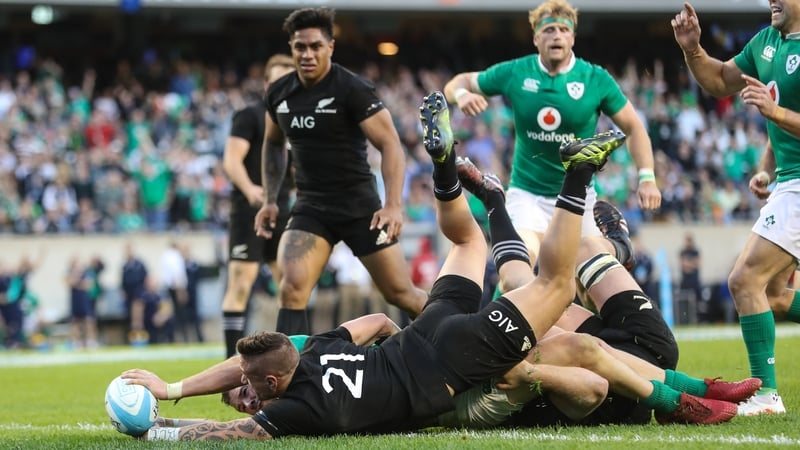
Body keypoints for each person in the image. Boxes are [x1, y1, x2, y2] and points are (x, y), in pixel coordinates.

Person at [123, 92, 736, 442]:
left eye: (255, 387)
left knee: (550, 285)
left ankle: (577, 180)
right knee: (470, 244)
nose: (251, 393)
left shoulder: (295, 406)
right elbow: (369, 322)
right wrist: (174, 386)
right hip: (430, 332)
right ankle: (444, 171)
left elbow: (233, 435)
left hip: (451, 363)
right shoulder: (312, 352)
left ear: (277, 384)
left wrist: (163, 423)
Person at [442, 0, 661, 293]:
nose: (556, 36)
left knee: (590, 283)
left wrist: (647, 177)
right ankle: (496, 331)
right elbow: (458, 82)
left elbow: (634, 127)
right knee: (515, 271)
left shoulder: (595, 79)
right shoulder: (517, 72)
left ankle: (600, 335)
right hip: (527, 196)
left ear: (572, 37)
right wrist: (460, 94)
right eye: (548, 30)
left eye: (562, 30)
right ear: (535, 38)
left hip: (578, 199)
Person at [253, 7, 427, 335]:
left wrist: (393, 205)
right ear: (291, 47)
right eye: (299, 47)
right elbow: (273, 145)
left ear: (330, 47)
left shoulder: (352, 89)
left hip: (360, 208)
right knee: (291, 290)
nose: (307, 54)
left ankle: (459, 345)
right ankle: (290, 381)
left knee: (401, 294)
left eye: (315, 46)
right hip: (311, 208)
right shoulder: (279, 93)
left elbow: (390, 144)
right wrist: (270, 200)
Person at [672, 0, 800, 415]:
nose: (771, 1)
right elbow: (720, 80)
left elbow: (778, 112)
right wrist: (693, 49)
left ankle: (767, 395)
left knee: (745, 280)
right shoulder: (767, 42)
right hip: (790, 181)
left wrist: (774, 110)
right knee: (776, 294)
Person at [221, 54, 295, 358]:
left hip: (285, 210)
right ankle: (231, 367)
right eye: (277, 81)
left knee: (290, 288)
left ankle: (290, 361)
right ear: (266, 85)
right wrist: (250, 188)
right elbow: (231, 159)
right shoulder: (249, 116)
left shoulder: (299, 122)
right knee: (241, 283)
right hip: (249, 209)